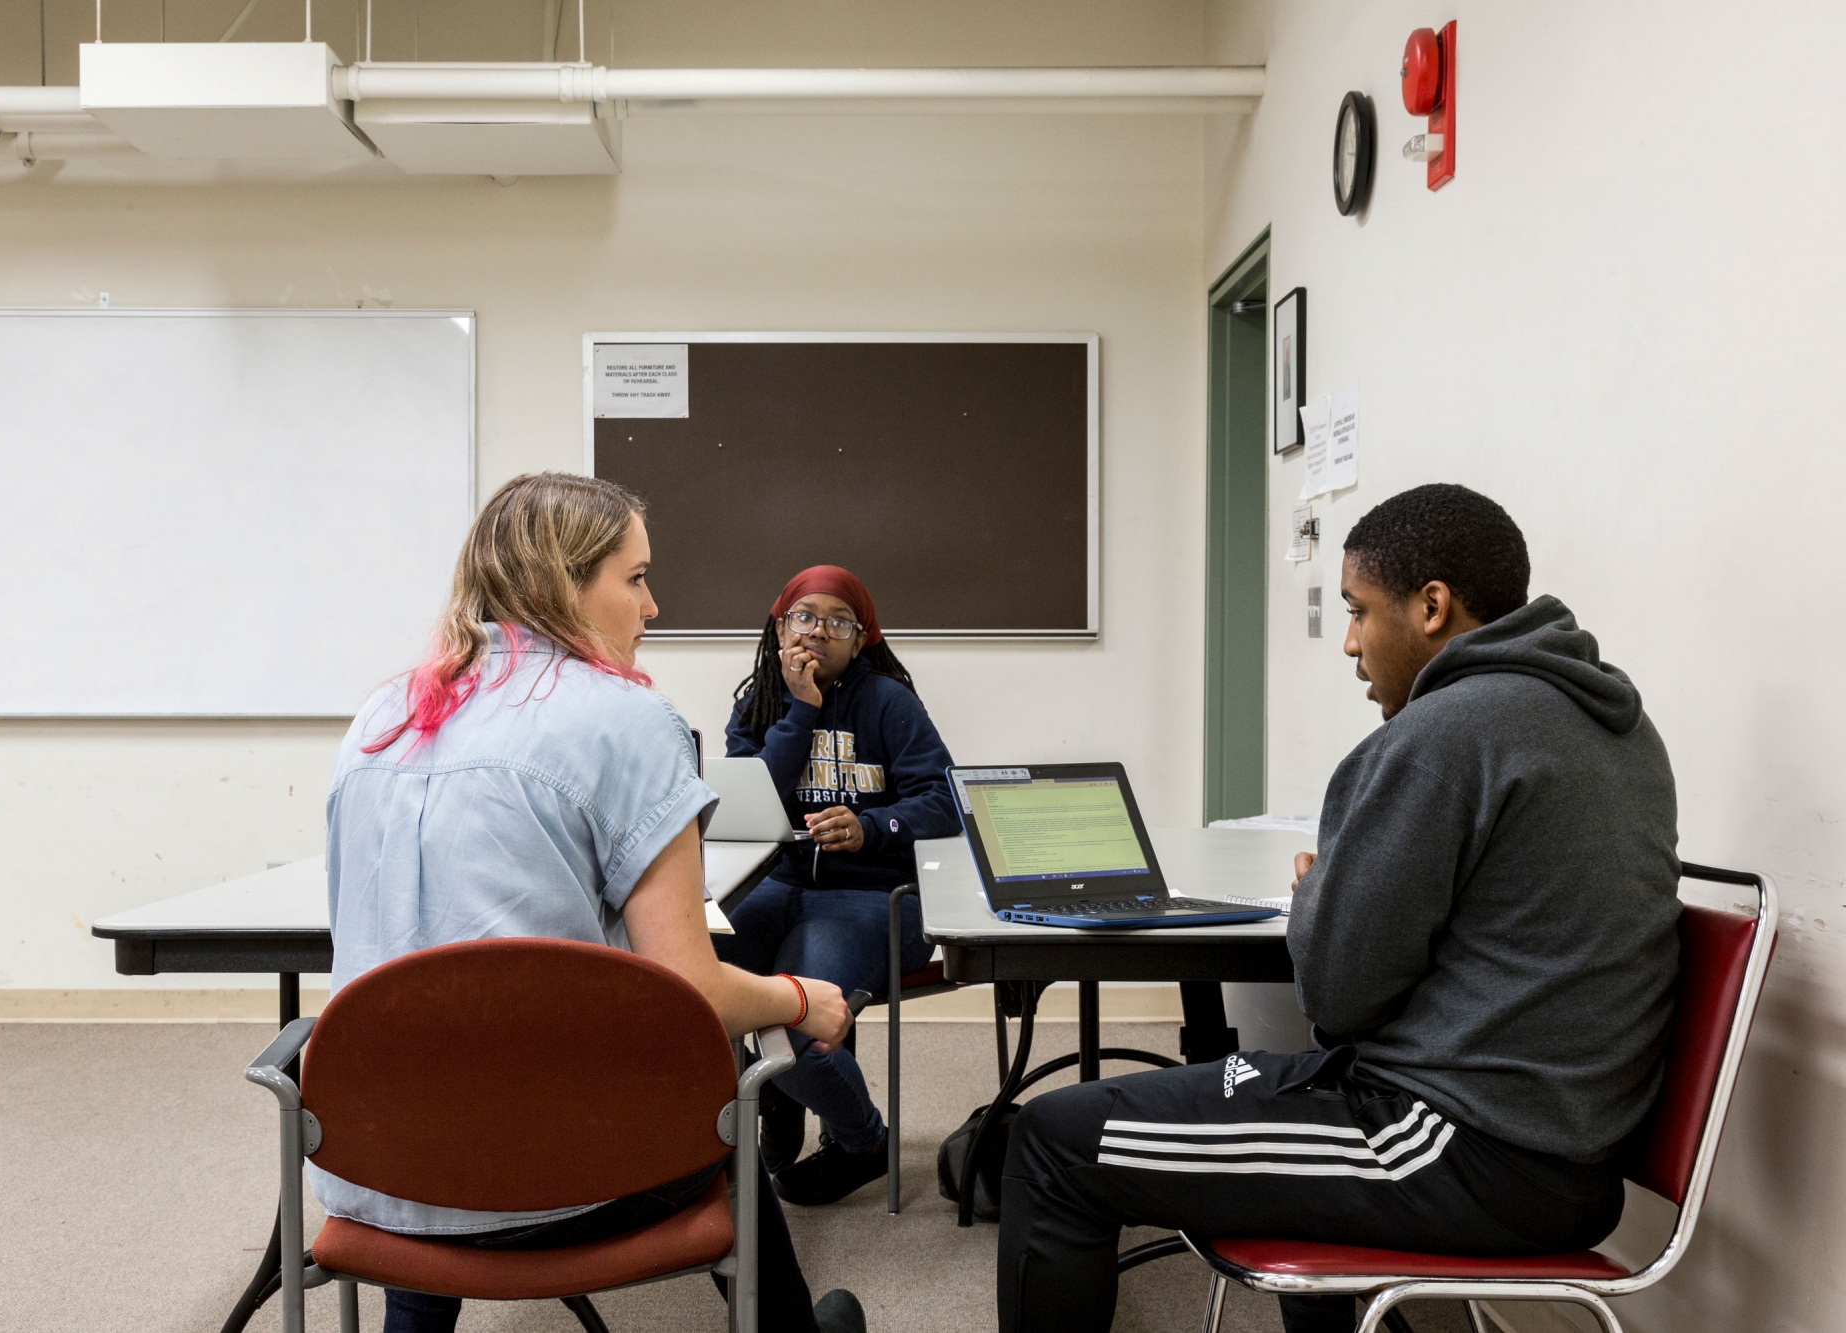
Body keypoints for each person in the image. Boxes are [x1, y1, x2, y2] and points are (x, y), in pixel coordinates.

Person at [995, 483, 1683, 1333]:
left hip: (1458, 1146)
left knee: (1053, 1143)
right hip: (1557, 1143)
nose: (1351, 644)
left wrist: (1320, 888)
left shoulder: (1443, 735)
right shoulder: (1616, 722)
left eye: (1359, 611)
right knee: (1204, 1094)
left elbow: (1337, 998)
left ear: (1432, 607)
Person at [321, 472, 868, 1333]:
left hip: (384, 1168)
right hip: (574, 1172)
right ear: (561, 582)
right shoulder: (627, 720)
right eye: (636, 577)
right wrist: (804, 999)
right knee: (723, 1104)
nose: (652, 607)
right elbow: (691, 989)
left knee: (445, 1084)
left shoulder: (382, 714)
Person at [716, 565, 962, 1206]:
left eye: (837, 622)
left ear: (862, 639)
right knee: (679, 984)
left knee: (800, 1033)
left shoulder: (889, 703)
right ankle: (768, 1085)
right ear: (778, 628)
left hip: (873, 898)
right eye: (804, 617)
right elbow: (751, 801)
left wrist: (873, 826)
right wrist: (801, 712)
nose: (817, 632)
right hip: (777, 886)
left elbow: (945, 801)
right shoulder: (760, 701)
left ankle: (864, 1142)